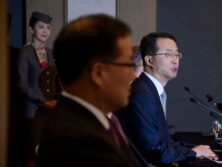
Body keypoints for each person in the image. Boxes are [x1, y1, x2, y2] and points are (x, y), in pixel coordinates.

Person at [35, 14, 149, 167]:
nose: (132, 75)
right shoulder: (80, 140)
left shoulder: (99, 119)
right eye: (127, 65)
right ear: (98, 73)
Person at [116, 32, 218, 166]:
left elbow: (162, 142)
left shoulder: (149, 89)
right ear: (149, 60)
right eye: (168, 54)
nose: (175, 60)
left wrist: (192, 149)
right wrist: (193, 153)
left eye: (177, 54)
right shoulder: (141, 94)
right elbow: (154, 150)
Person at [18, 11, 62, 167]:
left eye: (48, 28)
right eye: (41, 27)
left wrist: (59, 99)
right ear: (31, 29)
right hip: (32, 111)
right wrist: (42, 101)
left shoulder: (51, 53)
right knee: (31, 156)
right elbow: (22, 83)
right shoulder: (25, 52)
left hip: (50, 112)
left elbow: (57, 79)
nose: (45, 31)